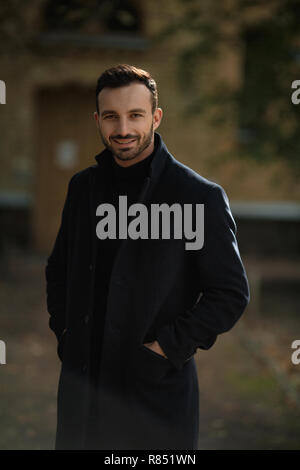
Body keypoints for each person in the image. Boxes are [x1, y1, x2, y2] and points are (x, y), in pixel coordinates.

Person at [45, 64, 250, 450]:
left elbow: (230, 293)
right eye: (111, 116)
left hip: (154, 396)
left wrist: (164, 349)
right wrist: (66, 334)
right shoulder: (82, 189)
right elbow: (58, 270)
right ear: (98, 120)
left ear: (156, 117)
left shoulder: (197, 196)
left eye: (135, 115)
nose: (123, 129)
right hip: (82, 393)